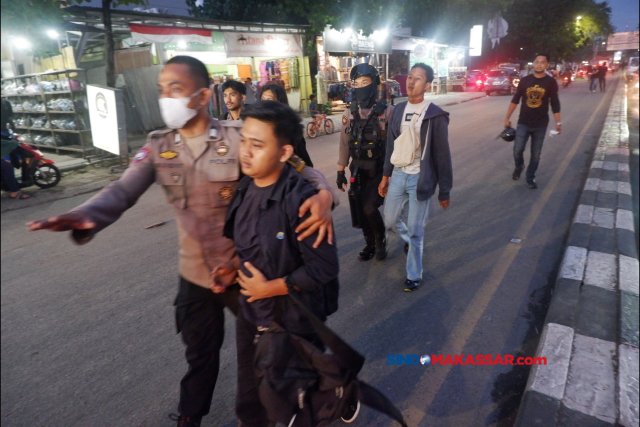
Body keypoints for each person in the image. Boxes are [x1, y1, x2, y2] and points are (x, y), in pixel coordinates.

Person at [26, 55, 338, 427]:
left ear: (203, 95)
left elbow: (301, 170)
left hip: (246, 270)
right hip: (194, 274)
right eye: (162, 90)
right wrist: (86, 214)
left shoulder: (238, 137)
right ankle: (191, 415)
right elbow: (123, 190)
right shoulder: (159, 146)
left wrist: (322, 194)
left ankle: (293, 402)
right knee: (199, 353)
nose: (166, 97)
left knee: (264, 351)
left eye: (177, 89)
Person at [220, 101, 355, 426]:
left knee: (296, 402)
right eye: (245, 142)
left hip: (292, 320)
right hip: (252, 313)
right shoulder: (245, 189)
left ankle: (339, 389)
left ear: (284, 153)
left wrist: (271, 287)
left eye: (258, 144)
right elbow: (248, 246)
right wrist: (231, 268)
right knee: (250, 396)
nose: (246, 152)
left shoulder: (302, 202)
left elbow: (324, 269)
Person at [378, 63, 452, 292]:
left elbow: (442, 154)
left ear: (427, 85)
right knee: (389, 221)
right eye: (409, 77)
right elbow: (391, 145)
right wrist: (385, 176)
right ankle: (411, 242)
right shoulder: (398, 110)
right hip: (399, 174)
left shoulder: (434, 115)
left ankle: (413, 275)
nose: (411, 81)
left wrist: (444, 190)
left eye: (417, 78)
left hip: (421, 177)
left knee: (416, 229)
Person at [337, 63, 393, 262]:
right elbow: (344, 143)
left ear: (374, 84)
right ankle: (369, 243)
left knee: (370, 208)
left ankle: (380, 241)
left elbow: (394, 146)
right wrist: (340, 171)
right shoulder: (349, 113)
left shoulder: (387, 112)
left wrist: (389, 175)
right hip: (357, 168)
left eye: (365, 82)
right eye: (357, 83)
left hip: (379, 169)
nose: (361, 87)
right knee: (360, 209)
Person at [504, 53, 561, 189]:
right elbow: (516, 99)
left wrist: (558, 122)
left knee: (536, 155)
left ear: (547, 65)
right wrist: (507, 118)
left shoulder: (550, 82)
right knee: (517, 150)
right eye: (537, 61)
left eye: (542, 62)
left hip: (540, 124)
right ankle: (519, 166)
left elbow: (555, 103)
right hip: (523, 122)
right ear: (533, 63)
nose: (539, 64)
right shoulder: (525, 81)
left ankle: (530, 177)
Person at [259, 83, 313, 168]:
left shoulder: (290, 127)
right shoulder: (258, 125)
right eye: (263, 99)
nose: (265, 103)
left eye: (269, 99)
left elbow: (302, 156)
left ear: (280, 102)